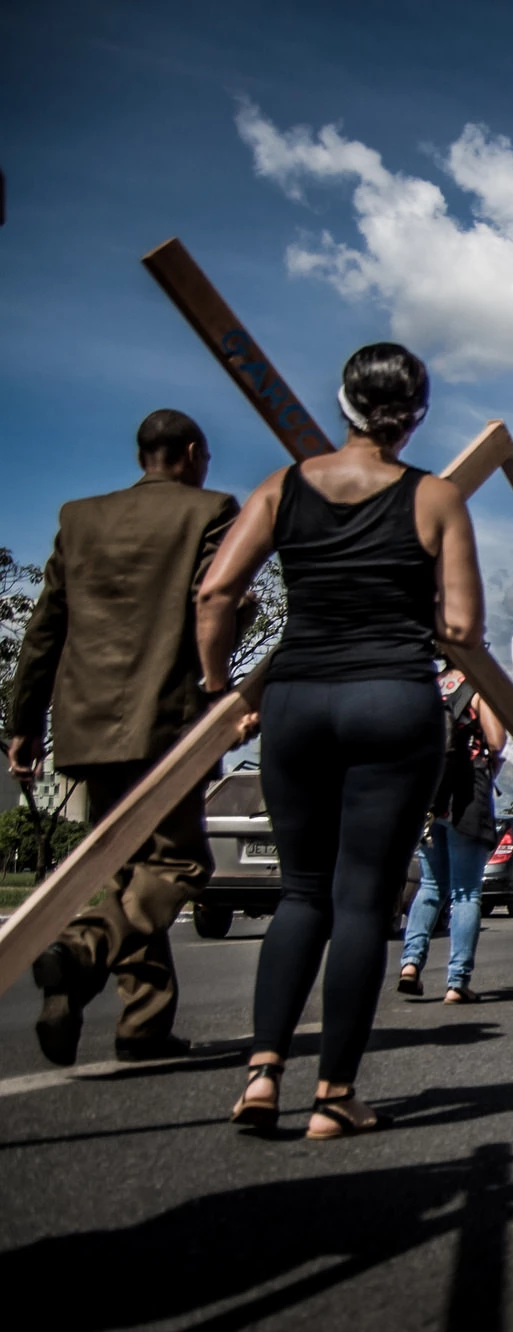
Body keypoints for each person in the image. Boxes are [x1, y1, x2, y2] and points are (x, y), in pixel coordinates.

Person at [197, 344, 479, 1136]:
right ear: (416, 414)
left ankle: (260, 1075)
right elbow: (460, 628)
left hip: (299, 697)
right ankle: (334, 1095)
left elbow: (218, 590)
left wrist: (220, 691)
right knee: (362, 899)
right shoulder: (436, 500)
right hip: (393, 698)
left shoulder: (282, 487)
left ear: (344, 403)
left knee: (300, 892)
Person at [10, 409, 238, 1067]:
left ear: (144, 455)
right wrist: (222, 692)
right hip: (166, 721)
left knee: (125, 867)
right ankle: (80, 951)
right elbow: (214, 602)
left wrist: (24, 722)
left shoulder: (78, 518)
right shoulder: (211, 510)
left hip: (84, 723)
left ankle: (143, 1022)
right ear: (193, 453)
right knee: (179, 865)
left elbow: (45, 626)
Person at [396, 663, 506, 1002]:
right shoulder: (477, 687)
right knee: (466, 893)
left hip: (430, 796)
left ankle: (410, 963)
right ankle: (457, 982)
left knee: (430, 886)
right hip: (467, 794)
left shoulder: (428, 686)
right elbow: (497, 740)